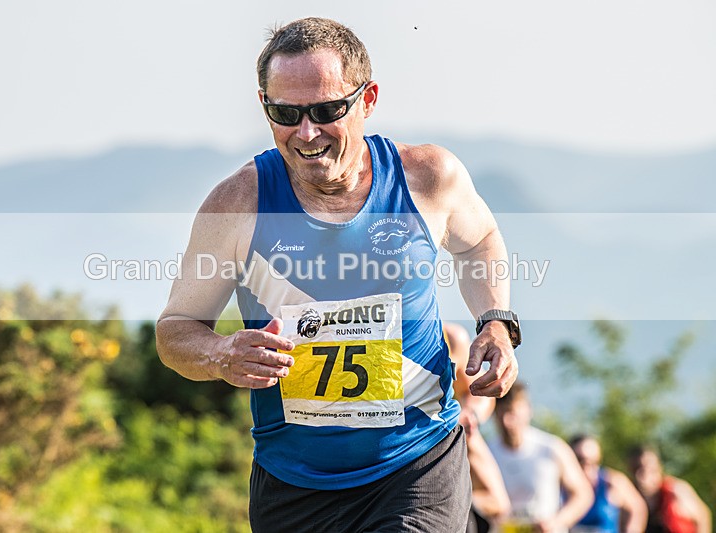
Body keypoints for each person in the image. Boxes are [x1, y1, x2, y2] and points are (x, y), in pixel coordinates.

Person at [156, 17, 521, 532]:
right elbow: (175, 331)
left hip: (417, 466)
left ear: (367, 99)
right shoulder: (238, 205)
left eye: (328, 110)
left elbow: (480, 241)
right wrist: (220, 353)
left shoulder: (427, 179)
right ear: (265, 106)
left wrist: (496, 323)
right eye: (286, 113)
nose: (307, 133)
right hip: (293, 485)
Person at [489, 382, 593, 532]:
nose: (507, 422)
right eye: (500, 414)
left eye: (512, 413)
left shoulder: (552, 448)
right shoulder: (486, 453)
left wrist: (557, 522)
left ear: (528, 410)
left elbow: (583, 494)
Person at [445, 322, 511, 532]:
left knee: (498, 501)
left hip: (452, 433)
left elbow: (482, 394)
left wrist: (468, 415)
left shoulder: (450, 336)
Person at [568, 434, 647, 533]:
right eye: (581, 461)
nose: (587, 468)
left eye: (593, 462)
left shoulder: (611, 482)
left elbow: (638, 508)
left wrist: (631, 529)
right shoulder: (561, 487)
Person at [627, 446, 711, 533]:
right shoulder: (628, 497)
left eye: (648, 469)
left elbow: (703, 517)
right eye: (636, 468)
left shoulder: (676, 491)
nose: (641, 474)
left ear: (659, 467)